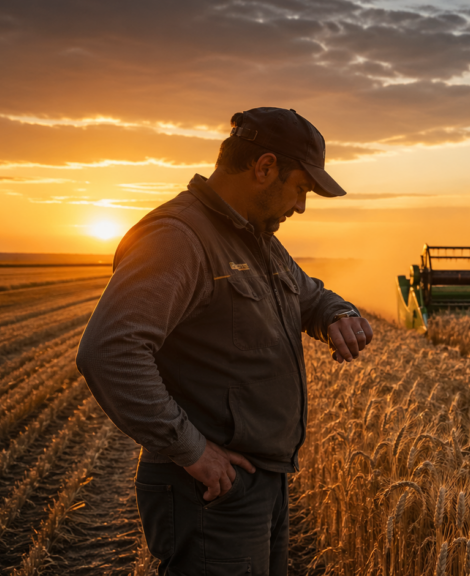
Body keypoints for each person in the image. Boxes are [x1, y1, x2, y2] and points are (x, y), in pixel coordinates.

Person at [75, 107, 372, 575]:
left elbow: (309, 294)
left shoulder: (256, 238)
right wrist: (193, 451)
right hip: (212, 493)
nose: (300, 206)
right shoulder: (180, 237)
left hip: (260, 484)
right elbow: (110, 349)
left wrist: (338, 313)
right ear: (265, 167)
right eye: (301, 188)